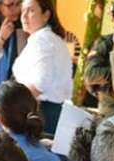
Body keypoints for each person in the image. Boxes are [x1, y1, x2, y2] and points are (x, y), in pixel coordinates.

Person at [13, 0, 72, 134]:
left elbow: (39, 84)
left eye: (31, 10)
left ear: (46, 15)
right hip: (47, 111)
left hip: (42, 113)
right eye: (23, 11)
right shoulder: (45, 38)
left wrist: (11, 104)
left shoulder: (43, 40)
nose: (24, 16)